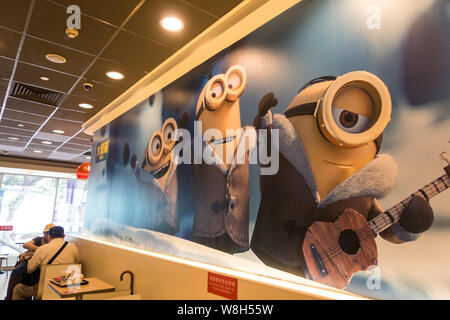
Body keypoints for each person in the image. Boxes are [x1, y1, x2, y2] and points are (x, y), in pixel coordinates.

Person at [12, 226, 79, 300]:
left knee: (18, 290)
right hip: (66, 285)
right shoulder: (73, 247)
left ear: (49, 236)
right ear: (64, 236)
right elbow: (75, 264)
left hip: (46, 287)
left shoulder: (42, 249)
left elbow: (30, 269)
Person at [4, 223, 55, 300]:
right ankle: (9, 296)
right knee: (16, 273)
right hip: (31, 261)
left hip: (42, 265)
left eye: (49, 233)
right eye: (45, 233)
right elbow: (26, 245)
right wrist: (40, 249)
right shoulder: (39, 239)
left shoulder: (54, 243)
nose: (47, 235)